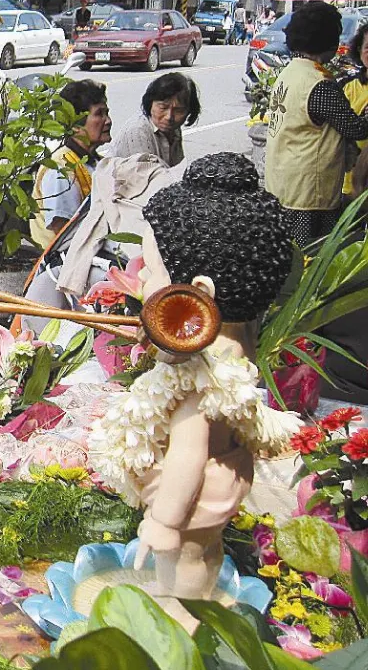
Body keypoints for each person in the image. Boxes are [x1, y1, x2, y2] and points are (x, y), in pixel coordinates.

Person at [90, 153, 299, 626]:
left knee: (181, 556)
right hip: (224, 476)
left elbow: (187, 452)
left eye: (151, 267)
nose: (140, 275)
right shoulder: (234, 347)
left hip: (191, 492)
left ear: (199, 290)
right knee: (206, 551)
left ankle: (180, 621)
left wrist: (162, 522)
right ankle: (205, 605)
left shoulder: (199, 374)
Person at [265, 1, 368, 243]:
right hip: (309, 193)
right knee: (309, 256)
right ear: (328, 42)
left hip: (283, 182)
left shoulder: (290, 72)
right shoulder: (319, 83)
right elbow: (356, 128)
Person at [30, 79, 111, 249]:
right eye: (99, 114)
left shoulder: (97, 162)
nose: (108, 120)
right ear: (75, 125)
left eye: (107, 113)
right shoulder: (60, 168)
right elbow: (65, 233)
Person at [108, 72, 201, 168]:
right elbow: (147, 178)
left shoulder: (174, 130)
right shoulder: (138, 131)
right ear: (150, 104)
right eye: (163, 107)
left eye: (179, 110)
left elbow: (176, 170)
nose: (169, 117)